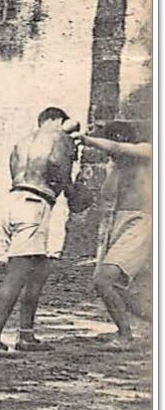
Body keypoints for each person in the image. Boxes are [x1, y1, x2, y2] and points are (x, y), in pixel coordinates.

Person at [0, 107, 88, 355]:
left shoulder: (22, 142)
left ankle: (26, 335)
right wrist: (73, 194)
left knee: (40, 268)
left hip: (14, 200)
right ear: (58, 120)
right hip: (35, 206)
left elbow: (17, 173)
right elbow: (58, 171)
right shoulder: (60, 138)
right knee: (17, 273)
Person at [82, 121, 151, 347]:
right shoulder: (118, 165)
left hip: (141, 221)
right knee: (120, 290)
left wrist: (87, 140)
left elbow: (119, 148)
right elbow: (106, 194)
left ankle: (125, 337)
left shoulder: (146, 150)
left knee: (104, 281)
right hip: (119, 223)